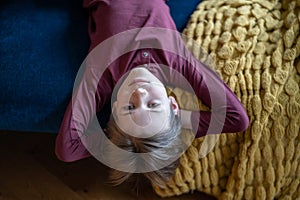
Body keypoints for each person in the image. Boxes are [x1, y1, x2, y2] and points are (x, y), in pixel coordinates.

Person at [55, 0, 249, 191]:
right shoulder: (176, 62)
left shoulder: (102, 73)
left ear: (114, 109)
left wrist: (118, 145)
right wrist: (176, 119)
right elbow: (236, 118)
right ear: (173, 105)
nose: (139, 93)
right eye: (154, 105)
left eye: (129, 108)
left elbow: (67, 148)